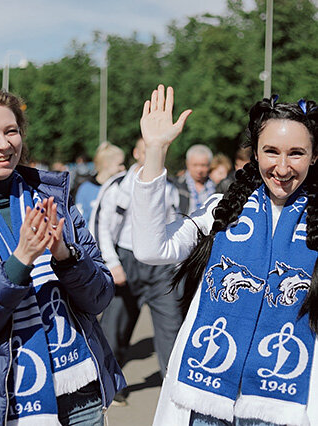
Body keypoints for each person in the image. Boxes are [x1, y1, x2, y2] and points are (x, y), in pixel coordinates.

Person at [132, 85, 318, 425]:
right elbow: (151, 248)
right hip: (203, 402)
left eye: (296, 153)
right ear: (255, 154)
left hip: (287, 409)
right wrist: (156, 151)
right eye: (271, 151)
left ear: (314, 157)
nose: (282, 166)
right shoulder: (223, 210)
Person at [0, 87, 125, 425]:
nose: (3, 145)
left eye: (10, 131)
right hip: (8, 400)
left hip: (82, 392)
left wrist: (65, 256)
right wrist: (19, 262)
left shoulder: (53, 199)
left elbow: (101, 297)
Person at [92, 137, 183, 405]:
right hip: (126, 260)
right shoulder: (118, 185)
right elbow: (100, 225)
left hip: (160, 267)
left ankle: (173, 390)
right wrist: (112, 263)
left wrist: (177, 265)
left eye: (160, 150)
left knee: (171, 327)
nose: (155, 155)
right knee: (114, 329)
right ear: (136, 153)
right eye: (148, 151)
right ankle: (109, 386)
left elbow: (175, 224)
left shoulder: (169, 187)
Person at [74, 141, 125, 225]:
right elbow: (80, 221)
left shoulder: (120, 187)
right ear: (106, 163)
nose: (123, 168)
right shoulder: (86, 189)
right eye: (120, 164)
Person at [175, 144, 216, 213]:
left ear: (209, 165)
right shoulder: (177, 186)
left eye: (203, 165)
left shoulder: (217, 187)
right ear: (187, 164)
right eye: (195, 165)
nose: (199, 170)